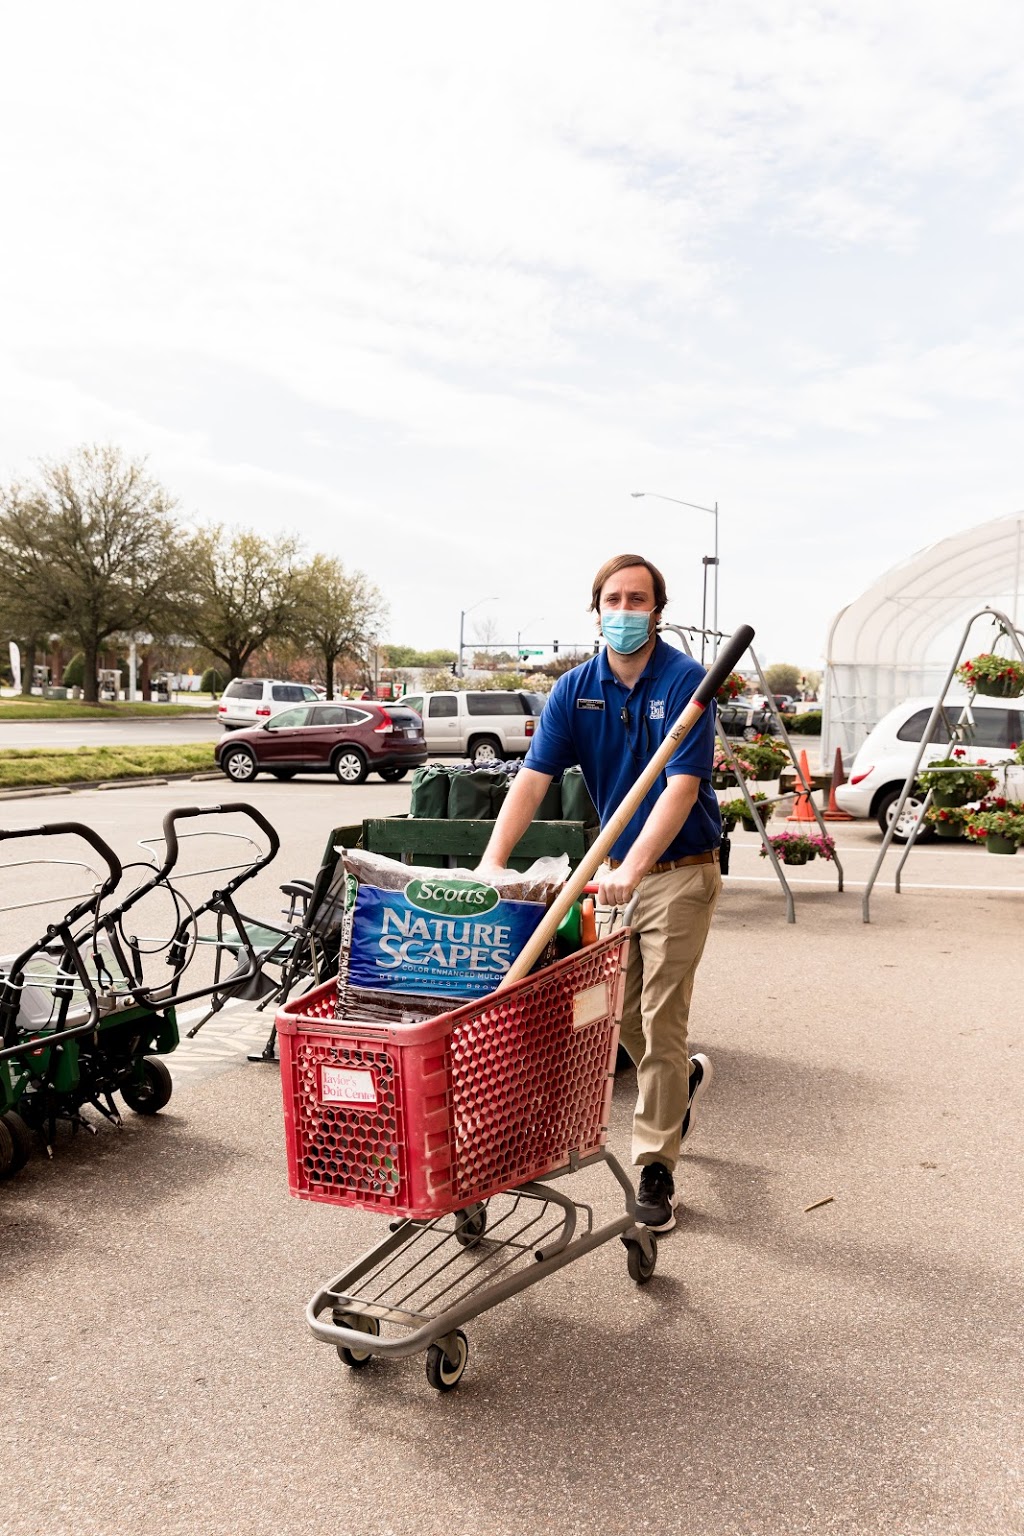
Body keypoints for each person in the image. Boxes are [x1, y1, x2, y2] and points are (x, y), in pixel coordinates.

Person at [476, 554, 722, 1231]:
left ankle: (655, 1168)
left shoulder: (685, 683)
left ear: (657, 610)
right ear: (596, 610)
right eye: (612, 599)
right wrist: (492, 864)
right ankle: (677, 1087)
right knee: (625, 1021)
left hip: (679, 872)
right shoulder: (575, 690)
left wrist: (635, 866)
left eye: (637, 599)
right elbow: (533, 778)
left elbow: (680, 788)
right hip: (616, 874)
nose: (624, 610)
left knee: (662, 1019)